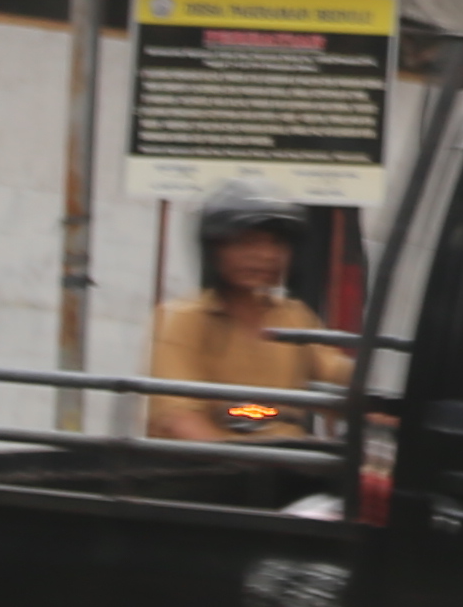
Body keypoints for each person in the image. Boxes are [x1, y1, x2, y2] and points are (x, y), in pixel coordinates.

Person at [143, 187, 337, 443]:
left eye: (276, 243)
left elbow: (337, 374)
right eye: (248, 243)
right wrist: (239, 464)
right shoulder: (183, 319)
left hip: (288, 465)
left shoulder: (293, 316)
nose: (266, 255)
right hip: (207, 470)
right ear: (215, 250)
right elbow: (180, 418)